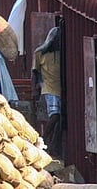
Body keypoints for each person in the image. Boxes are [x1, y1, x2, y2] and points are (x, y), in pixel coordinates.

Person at [33, 26, 63, 156]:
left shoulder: (63, 53)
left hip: (61, 89)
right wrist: (35, 89)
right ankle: (42, 139)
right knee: (55, 115)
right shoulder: (39, 53)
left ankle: (53, 147)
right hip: (49, 88)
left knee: (60, 119)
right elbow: (35, 72)